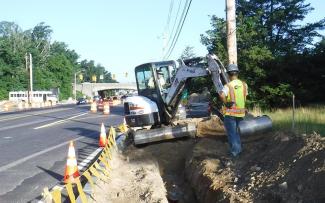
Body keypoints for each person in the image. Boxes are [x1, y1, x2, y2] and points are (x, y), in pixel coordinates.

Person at [219, 64, 248, 157]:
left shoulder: (228, 85)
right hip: (241, 112)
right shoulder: (244, 84)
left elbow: (222, 95)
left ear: (228, 74)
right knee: (237, 132)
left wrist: (226, 103)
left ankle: (235, 153)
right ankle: (238, 149)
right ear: (237, 73)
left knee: (232, 133)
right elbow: (244, 96)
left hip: (231, 113)